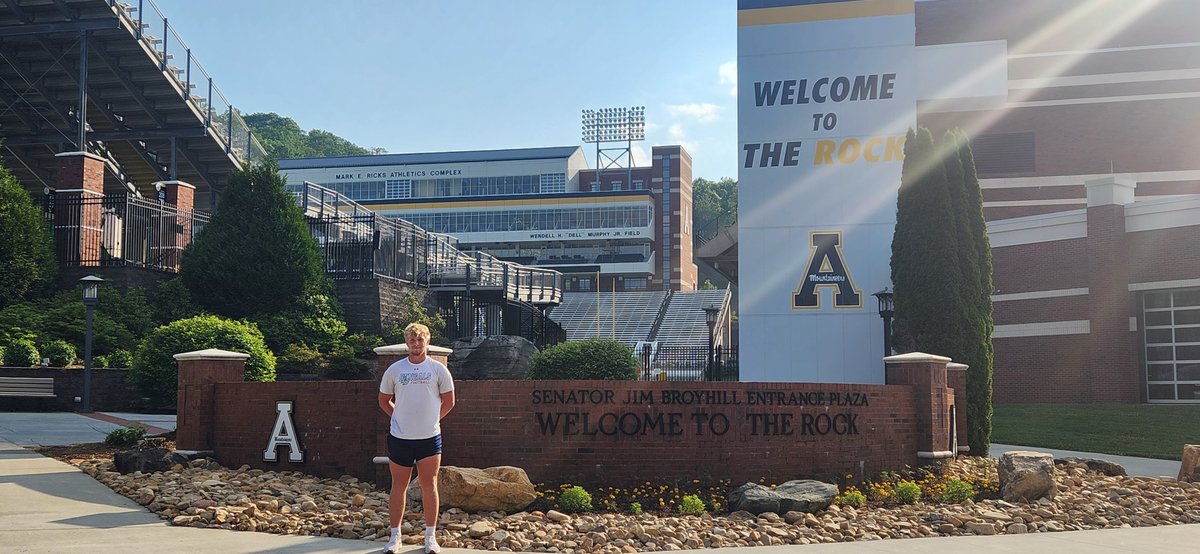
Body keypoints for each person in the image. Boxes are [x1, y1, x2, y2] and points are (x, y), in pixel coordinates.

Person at [378, 323, 455, 554]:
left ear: (427, 341)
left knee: (429, 485)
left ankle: (430, 537)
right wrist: (399, 417)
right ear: (407, 343)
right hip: (400, 437)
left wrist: (433, 419)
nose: (416, 343)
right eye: (412, 340)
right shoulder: (395, 370)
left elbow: (449, 401)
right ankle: (395, 537)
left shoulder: (438, 369)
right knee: (398, 486)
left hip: (429, 438)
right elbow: (384, 400)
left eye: (420, 340)